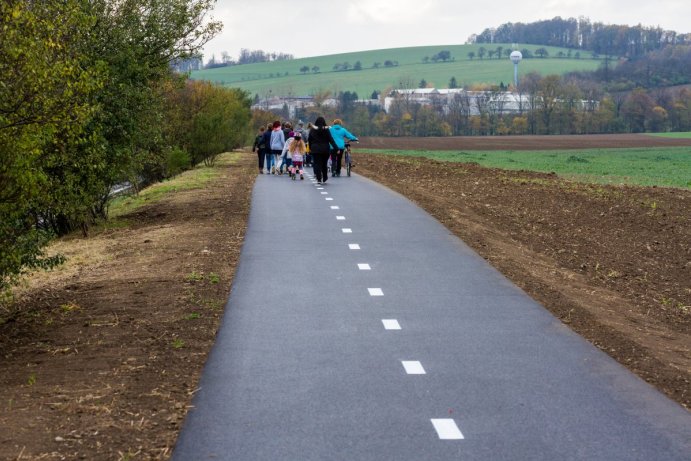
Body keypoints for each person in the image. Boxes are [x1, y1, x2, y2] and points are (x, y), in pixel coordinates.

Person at [307, 116, 338, 185]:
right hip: (325, 149)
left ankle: (318, 178)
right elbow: (331, 140)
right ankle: (325, 176)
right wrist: (336, 148)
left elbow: (309, 140)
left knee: (317, 164)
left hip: (315, 149)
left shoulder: (312, 130)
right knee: (324, 163)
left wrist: (310, 148)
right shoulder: (326, 130)